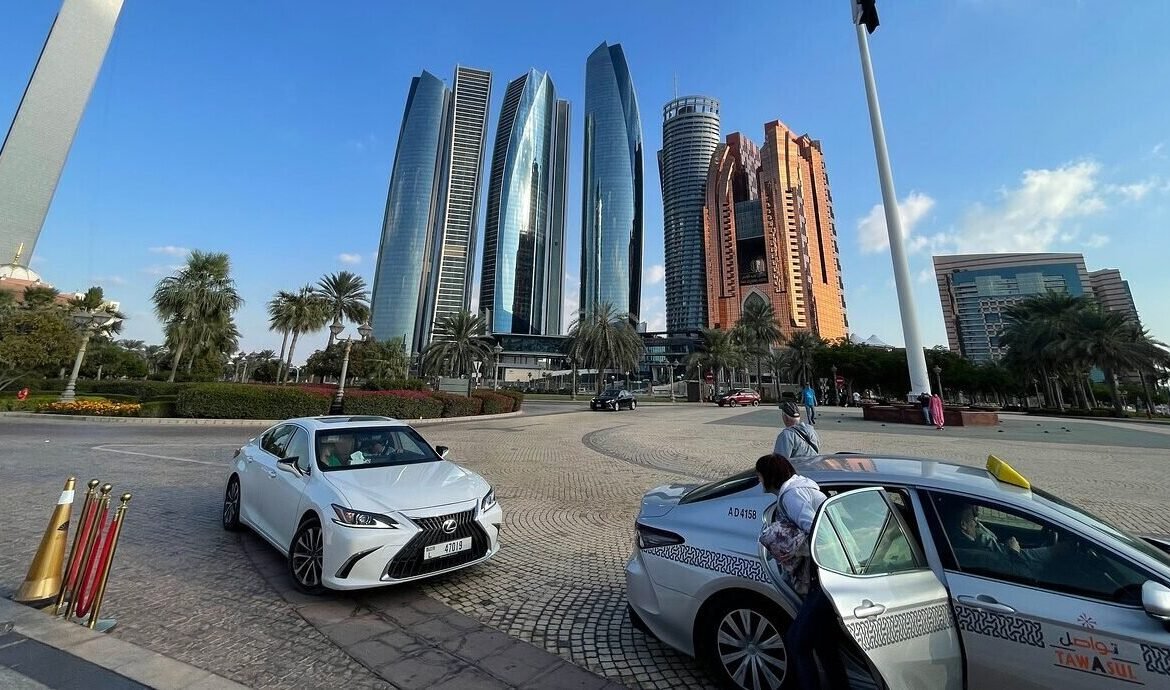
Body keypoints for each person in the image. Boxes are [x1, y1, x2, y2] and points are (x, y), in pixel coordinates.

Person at [756, 453, 849, 690]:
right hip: (833, 573)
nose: (759, 481)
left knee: (797, 642)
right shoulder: (803, 488)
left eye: (759, 476)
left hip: (824, 579)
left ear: (769, 476)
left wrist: (792, 547)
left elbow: (821, 535)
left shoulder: (792, 496)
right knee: (824, 643)